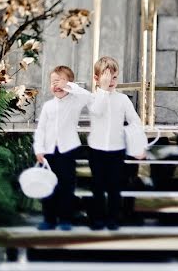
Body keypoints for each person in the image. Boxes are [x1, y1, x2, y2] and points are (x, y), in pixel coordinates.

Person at [65, 56, 144, 230]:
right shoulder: (93, 98)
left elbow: (135, 121)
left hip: (117, 150)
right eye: (107, 78)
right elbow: (98, 111)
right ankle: (97, 219)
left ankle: (113, 219)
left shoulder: (123, 100)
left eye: (114, 78)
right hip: (97, 150)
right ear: (96, 78)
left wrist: (136, 142)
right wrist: (103, 89)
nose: (111, 82)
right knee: (98, 186)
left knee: (115, 186)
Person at [32, 65, 91, 231]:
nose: (56, 85)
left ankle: (65, 218)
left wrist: (70, 86)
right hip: (49, 152)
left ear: (69, 83)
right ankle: (49, 219)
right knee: (48, 186)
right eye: (53, 82)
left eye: (60, 81)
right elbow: (41, 129)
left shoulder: (75, 101)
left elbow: (88, 96)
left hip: (68, 150)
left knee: (66, 186)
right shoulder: (48, 106)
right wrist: (39, 150)